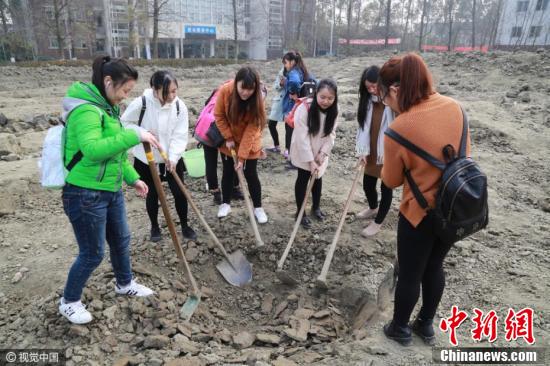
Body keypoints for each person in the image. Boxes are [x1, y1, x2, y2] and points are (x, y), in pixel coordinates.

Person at [59, 55, 160, 324]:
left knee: (121, 240)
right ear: (108, 82)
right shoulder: (86, 111)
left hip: (110, 190)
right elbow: (93, 151)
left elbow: (115, 154)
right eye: (125, 90)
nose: (126, 97)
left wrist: (133, 178)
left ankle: (124, 283)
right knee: (92, 252)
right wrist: (133, 133)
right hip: (84, 194)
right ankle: (68, 301)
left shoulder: (107, 110)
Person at [379, 53, 471, 346]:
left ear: (394, 90)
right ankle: (426, 325)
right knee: (434, 267)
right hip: (456, 208)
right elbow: (465, 155)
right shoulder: (455, 108)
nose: (385, 103)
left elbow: (391, 181)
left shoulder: (398, 129)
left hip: (419, 214)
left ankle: (400, 328)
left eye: (384, 97)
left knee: (410, 273)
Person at [121, 70, 197, 242]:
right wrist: (141, 133)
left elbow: (180, 134)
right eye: (168, 92)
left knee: (179, 192)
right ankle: (155, 226)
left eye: (174, 90)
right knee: (152, 194)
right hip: (146, 159)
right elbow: (124, 123)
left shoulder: (179, 106)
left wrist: (174, 157)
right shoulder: (142, 103)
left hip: (171, 158)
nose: (172, 95)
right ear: (155, 89)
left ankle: (184, 225)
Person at [214, 66, 268, 223]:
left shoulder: (258, 98)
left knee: (251, 174)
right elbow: (219, 115)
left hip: (250, 142)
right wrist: (228, 136)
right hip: (229, 140)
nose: (246, 93)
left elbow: (252, 129)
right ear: (236, 83)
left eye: (250, 89)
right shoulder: (225, 91)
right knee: (228, 172)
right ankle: (225, 203)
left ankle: (258, 207)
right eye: (243, 88)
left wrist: (242, 157)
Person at [290, 79, 338, 228]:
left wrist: (323, 153)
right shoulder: (304, 108)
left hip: (320, 151)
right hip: (303, 149)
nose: (326, 101)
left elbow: (331, 134)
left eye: (330, 98)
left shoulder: (335, 110)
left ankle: (315, 207)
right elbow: (301, 137)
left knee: (318, 177)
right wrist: (310, 160)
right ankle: (300, 212)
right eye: (322, 97)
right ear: (316, 94)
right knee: (303, 179)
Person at [355, 66, 395, 237]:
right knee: (368, 185)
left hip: (387, 151)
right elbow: (362, 128)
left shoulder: (392, 101)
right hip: (371, 150)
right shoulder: (367, 101)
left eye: (374, 86)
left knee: (387, 188)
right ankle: (373, 207)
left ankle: (378, 222)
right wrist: (362, 150)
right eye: (368, 87)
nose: (372, 90)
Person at [281, 51, 310, 169]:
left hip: (293, 107)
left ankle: (293, 160)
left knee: (291, 133)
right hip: (301, 106)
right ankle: (295, 159)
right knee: (297, 133)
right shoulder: (302, 70)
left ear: (292, 61)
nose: (285, 65)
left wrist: (293, 93)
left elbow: (294, 82)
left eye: (286, 63)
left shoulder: (293, 72)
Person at [266, 66, 287, 153]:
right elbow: (275, 86)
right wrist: (281, 84)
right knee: (271, 124)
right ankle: (277, 146)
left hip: (290, 101)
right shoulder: (282, 70)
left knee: (289, 127)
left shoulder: (298, 71)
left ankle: (288, 150)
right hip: (279, 101)